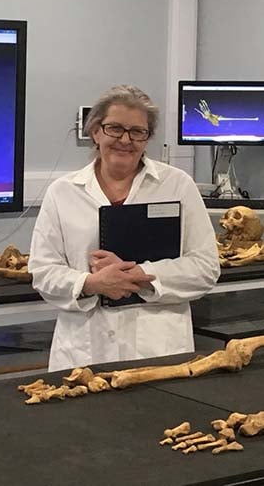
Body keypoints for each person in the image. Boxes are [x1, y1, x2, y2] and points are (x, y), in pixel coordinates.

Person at [28, 84, 220, 372]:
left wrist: (142, 274)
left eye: (137, 132)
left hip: (159, 351)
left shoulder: (178, 186)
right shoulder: (62, 192)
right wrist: (91, 284)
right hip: (84, 353)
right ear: (95, 131)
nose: (125, 140)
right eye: (114, 128)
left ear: (147, 138)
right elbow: (43, 272)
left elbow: (205, 267)